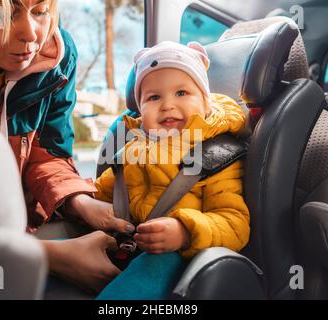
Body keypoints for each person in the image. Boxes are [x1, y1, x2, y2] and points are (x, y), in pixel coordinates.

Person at [0, 0, 133, 294]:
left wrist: (79, 202)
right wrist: (50, 256)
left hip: (23, 227)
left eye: (39, 11)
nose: (32, 34)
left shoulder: (57, 61)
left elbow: (48, 156)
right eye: (8, 14)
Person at [90, 41, 251, 299]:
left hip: (178, 257)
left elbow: (235, 223)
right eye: (154, 97)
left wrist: (185, 232)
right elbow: (101, 193)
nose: (167, 105)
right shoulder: (133, 149)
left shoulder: (216, 155)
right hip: (126, 246)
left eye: (181, 93)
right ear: (140, 109)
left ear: (205, 101)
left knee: (154, 268)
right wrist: (80, 201)